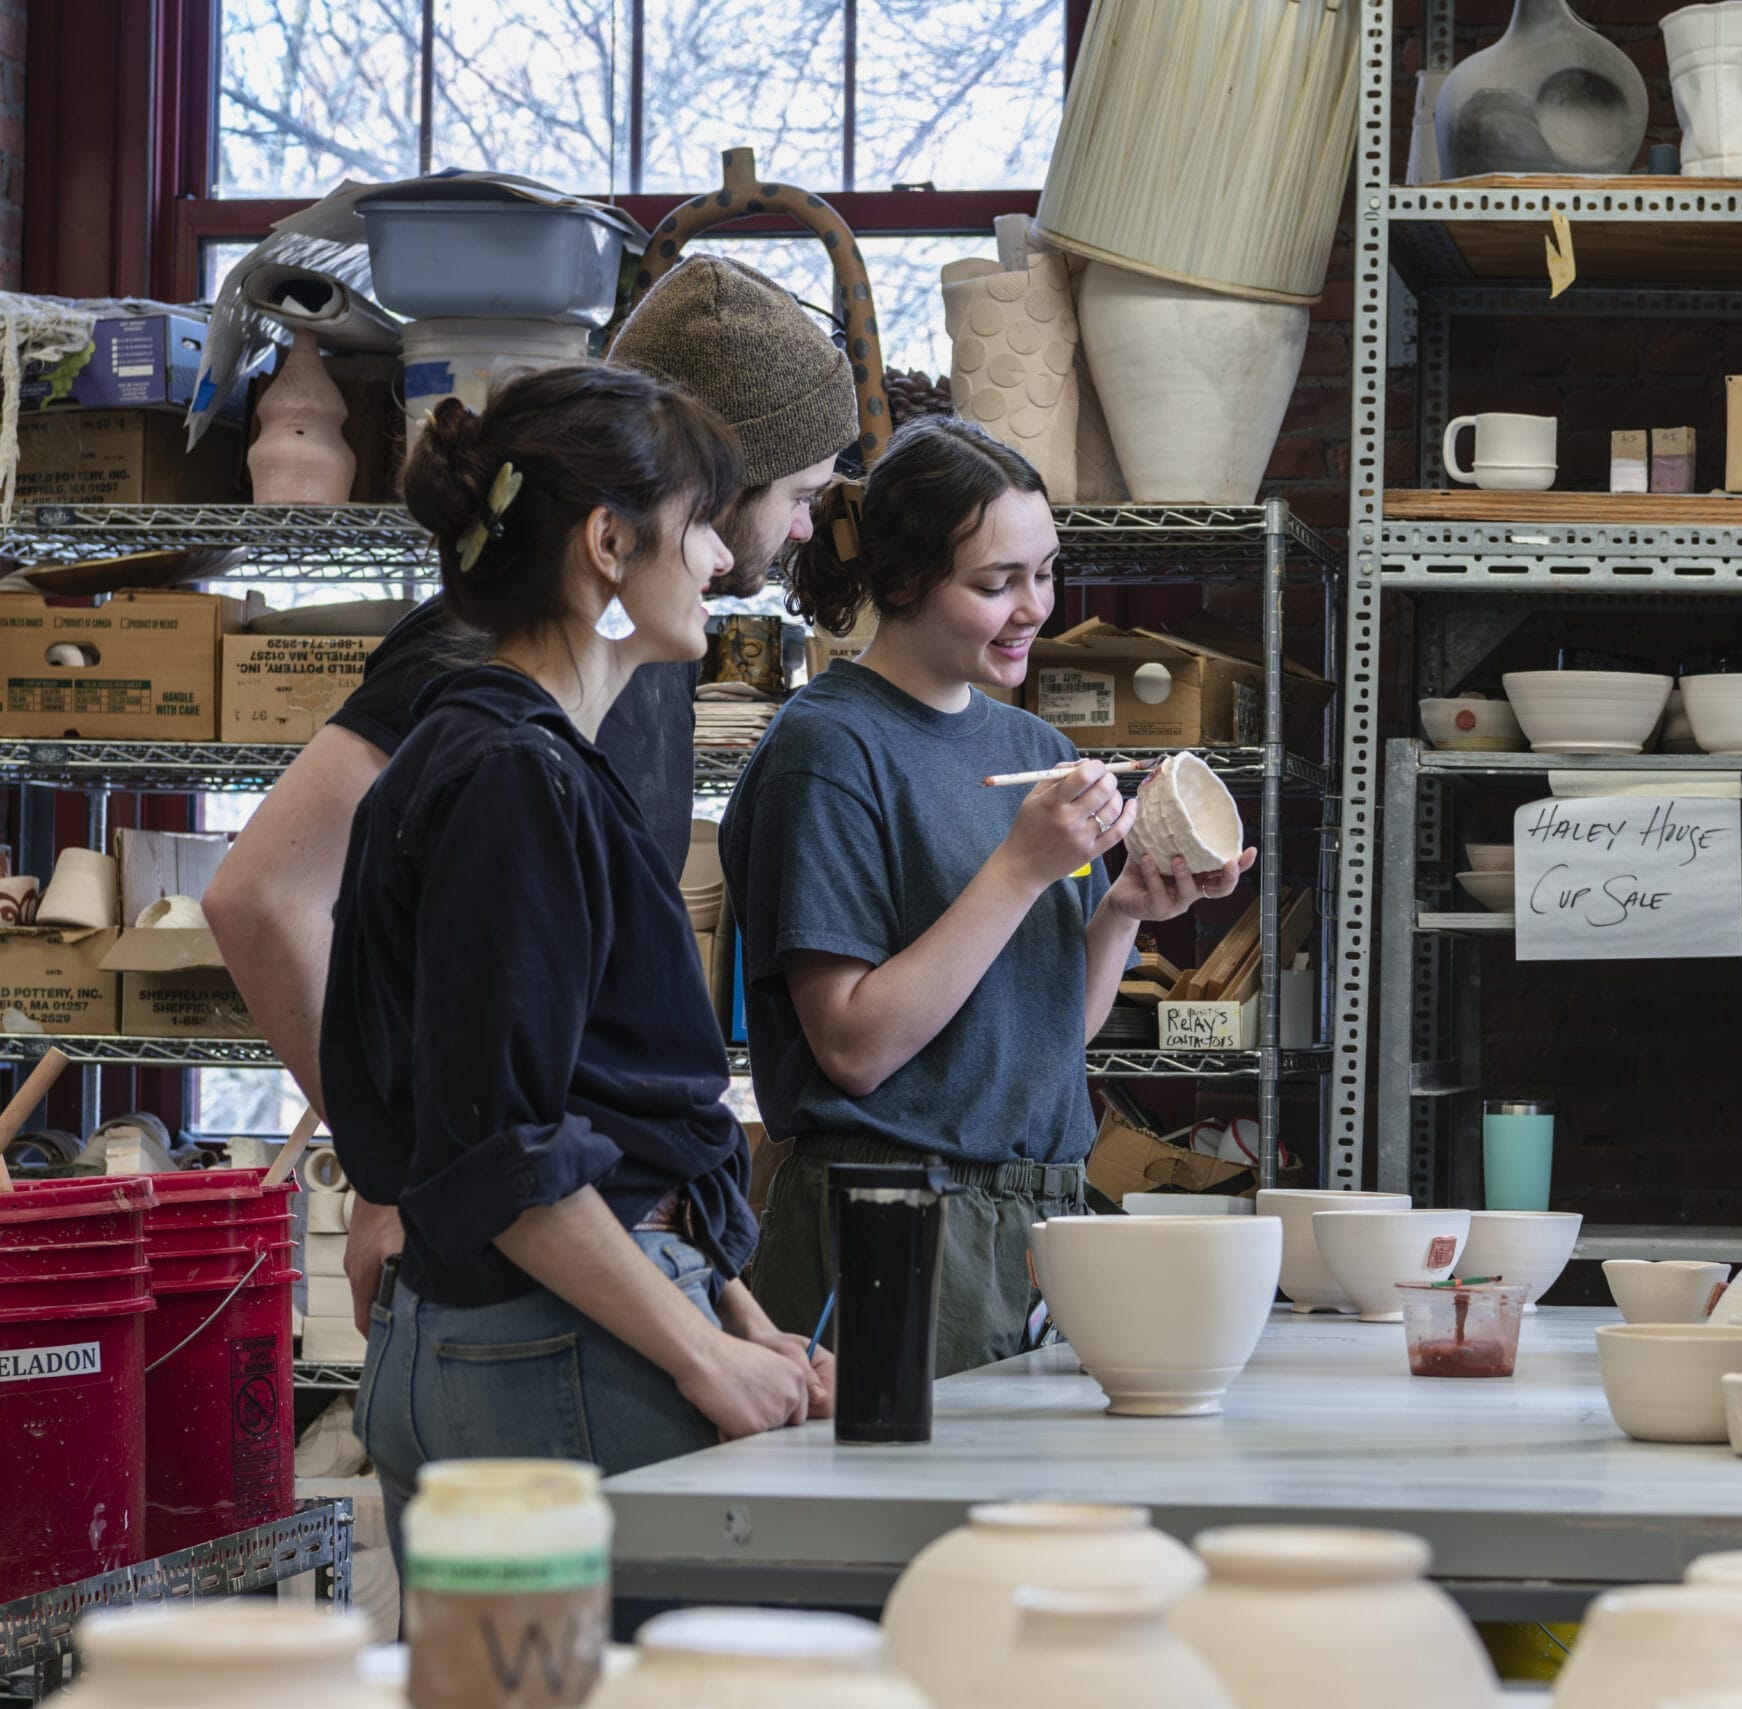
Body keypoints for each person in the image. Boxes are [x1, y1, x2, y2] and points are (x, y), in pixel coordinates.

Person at [204, 256, 851, 1332]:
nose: (796, 531)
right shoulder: (480, 660)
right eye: (797, 495)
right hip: (521, 1277)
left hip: (600, 1249)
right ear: (699, 488)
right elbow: (262, 894)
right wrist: (397, 1170)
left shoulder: (639, 651)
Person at [328, 368, 829, 1547]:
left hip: (547, 1331)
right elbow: (507, 1149)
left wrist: (733, 1309)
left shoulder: (500, 752)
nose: (716, 558)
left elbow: (600, 1108)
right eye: (700, 523)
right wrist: (699, 1349)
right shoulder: (514, 775)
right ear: (609, 541)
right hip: (552, 1350)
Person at [722, 416, 1253, 1372]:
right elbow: (852, 1046)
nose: (1033, 608)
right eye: (994, 583)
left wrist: (1126, 906)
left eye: (1045, 572)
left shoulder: (1035, 751)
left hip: (1041, 1217)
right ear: (901, 582)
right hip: (891, 1214)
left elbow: (1056, 1033)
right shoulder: (829, 749)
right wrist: (1018, 869)